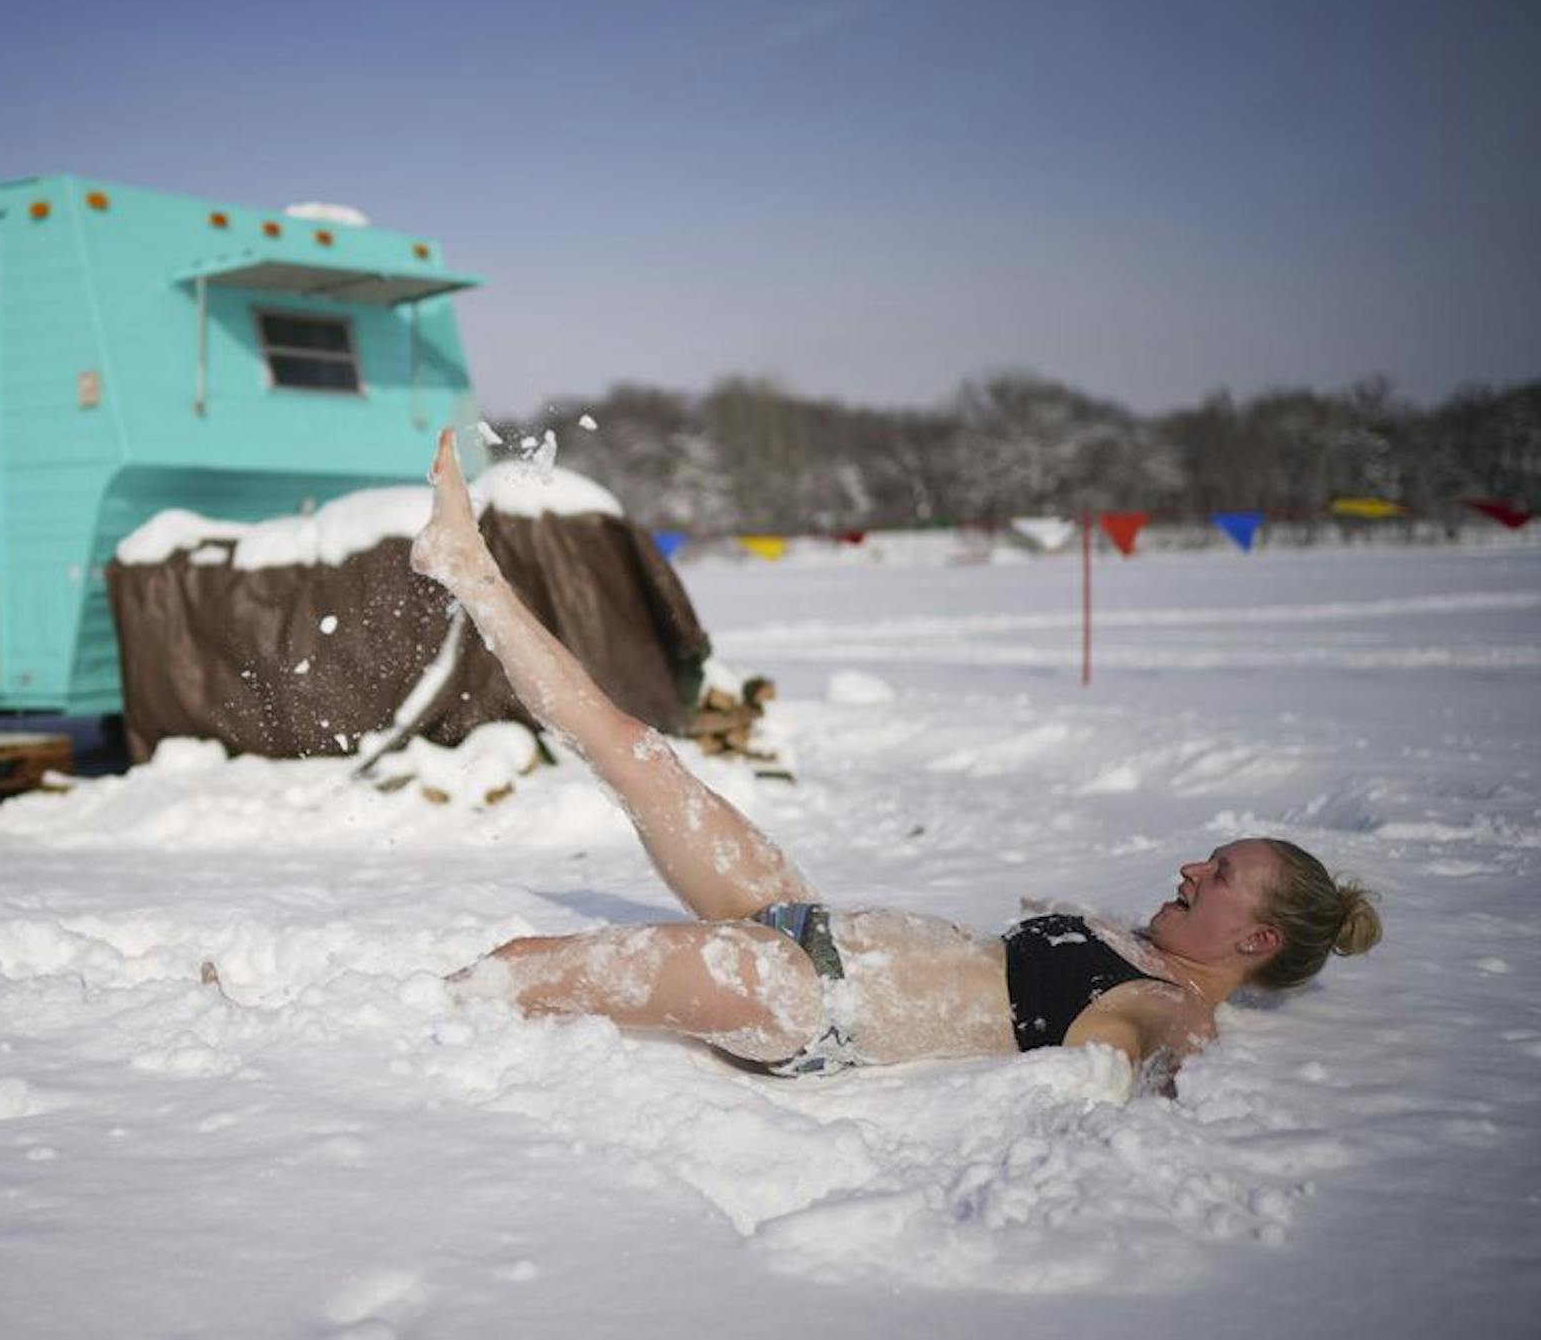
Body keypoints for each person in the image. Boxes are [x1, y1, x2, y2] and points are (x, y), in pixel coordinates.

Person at [410, 429, 1382, 1090]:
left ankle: (377, 1035)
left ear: (1257, 942)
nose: (1191, 868)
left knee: (520, 971)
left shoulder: (1165, 1006)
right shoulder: (1139, 944)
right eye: (1210, 855)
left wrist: (1171, 1069)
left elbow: (1159, 1060)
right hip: (798, 919)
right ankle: (466, 566)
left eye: (1220, 878)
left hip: (798, 996)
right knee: (635, 749)